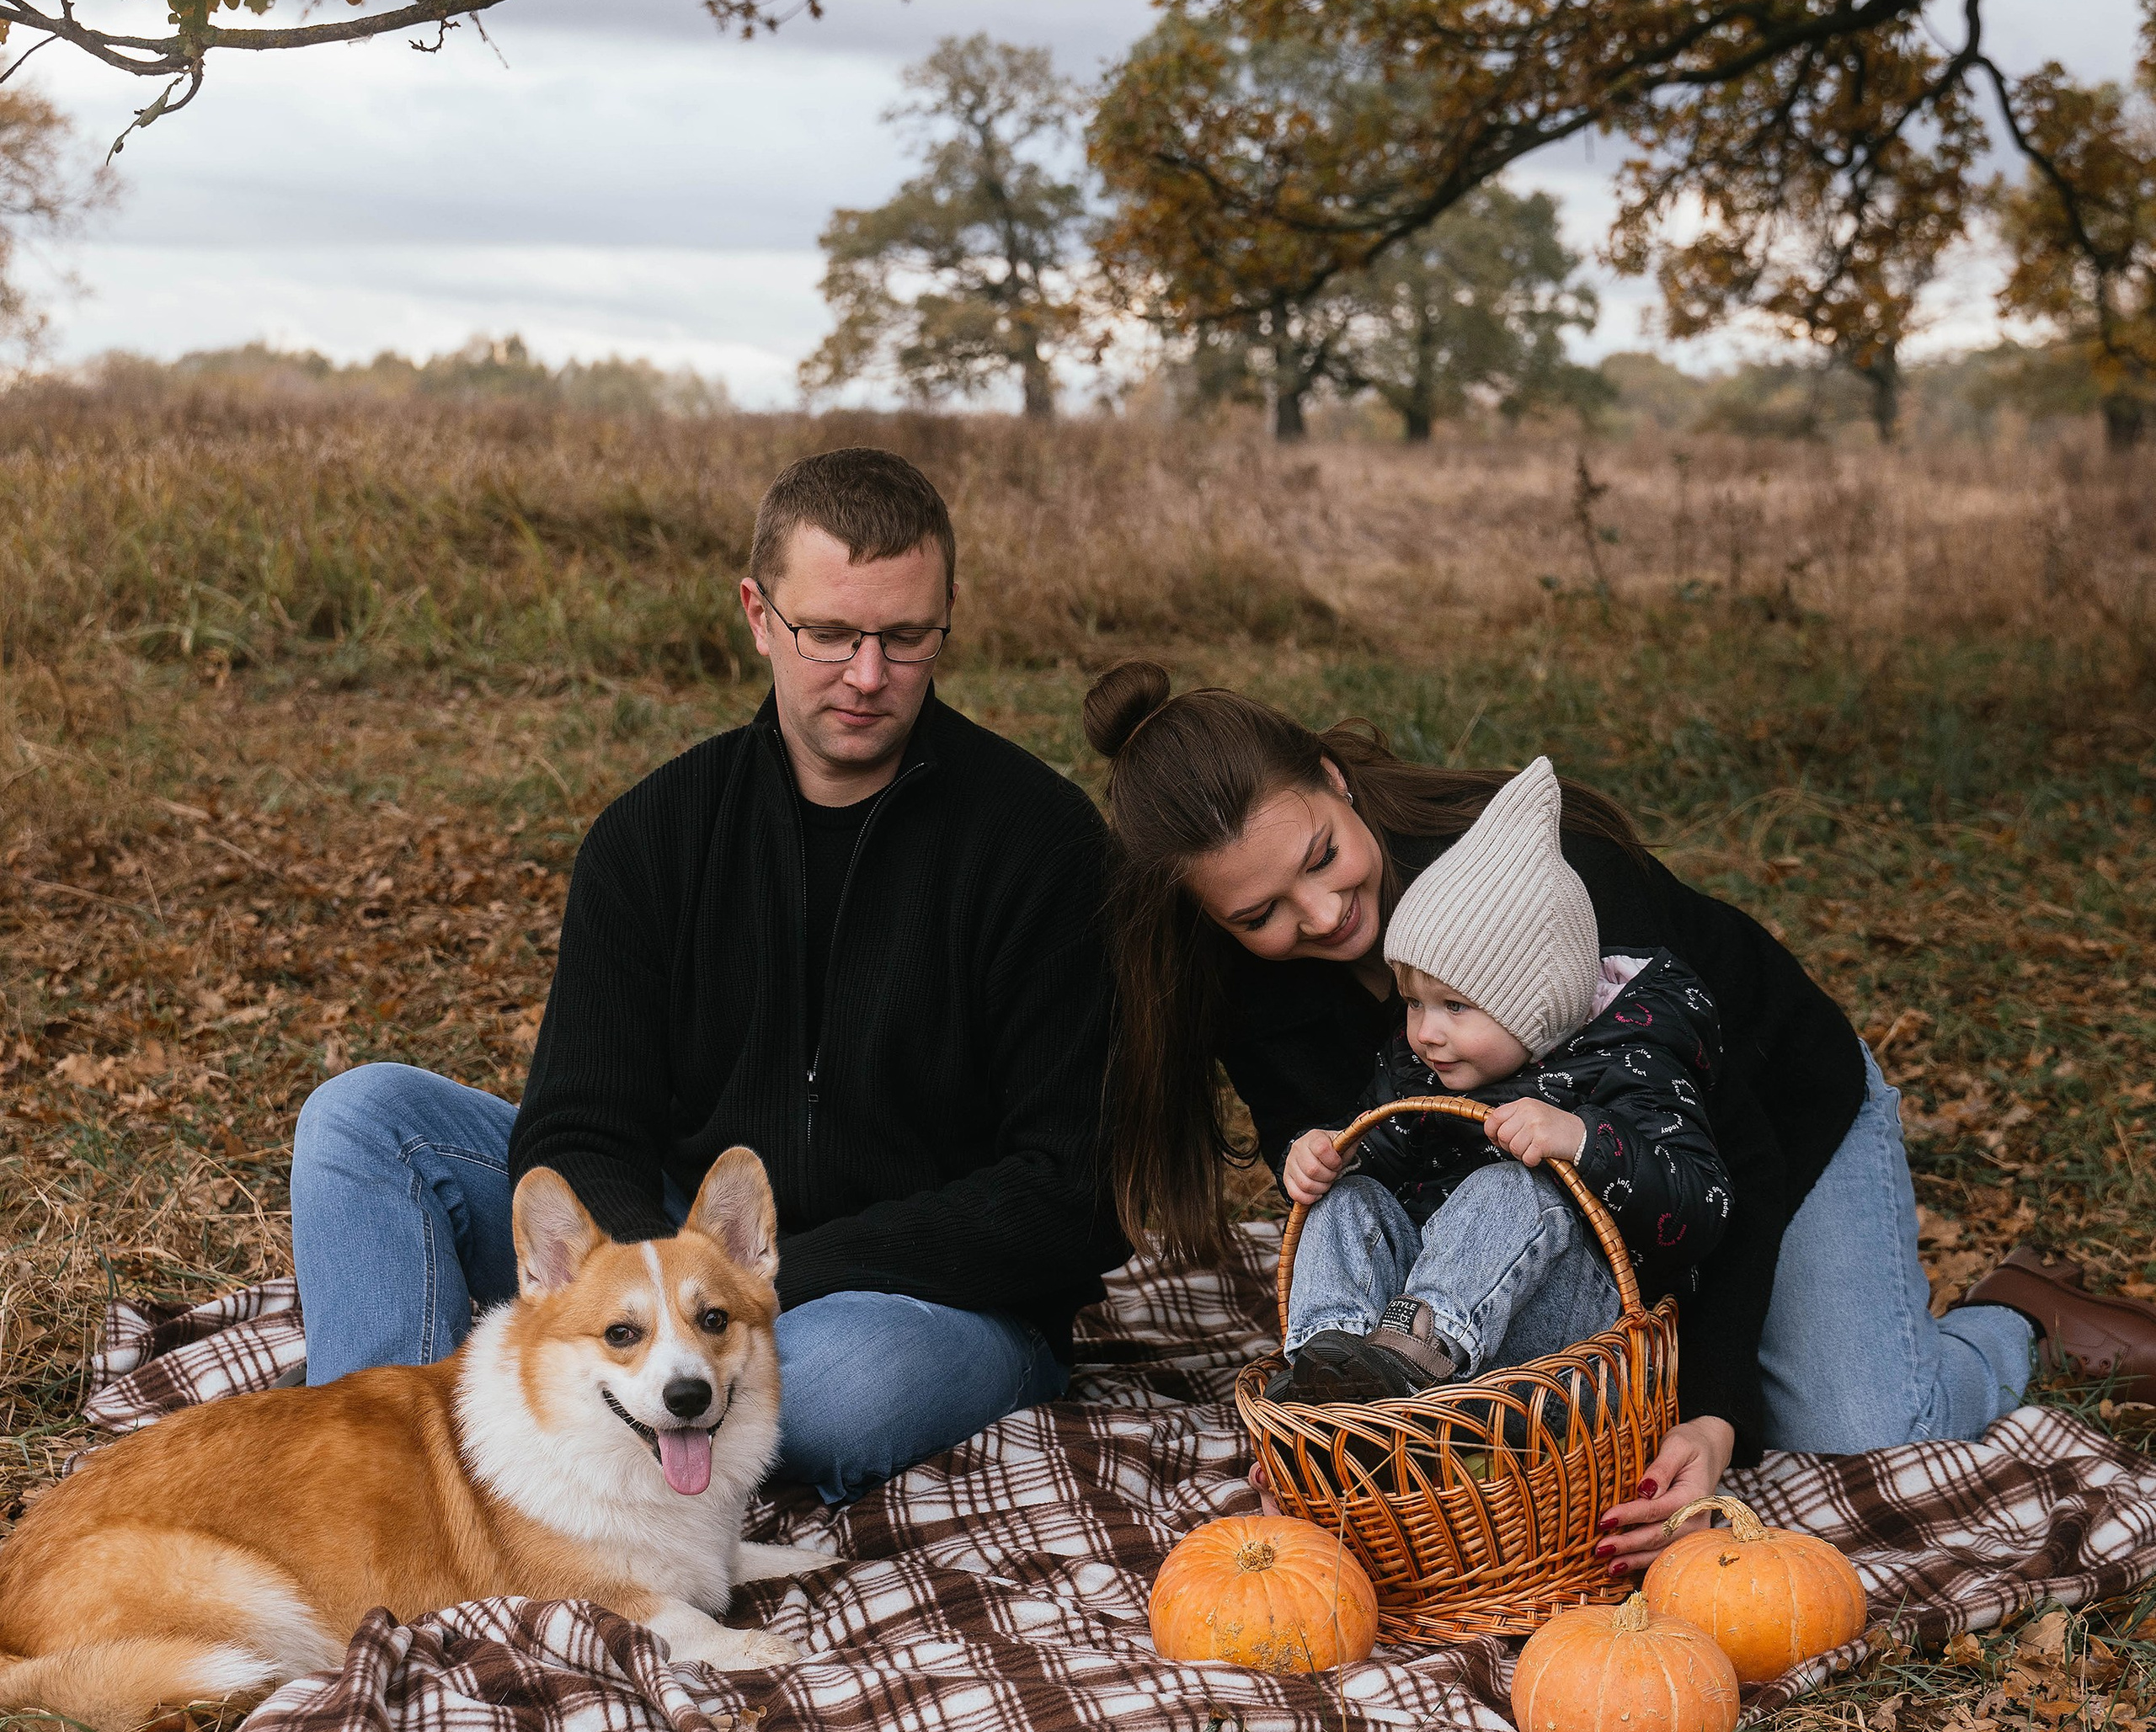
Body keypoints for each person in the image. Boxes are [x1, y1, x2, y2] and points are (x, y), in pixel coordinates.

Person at [1086, 661, 2156, 1570]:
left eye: (1320, 858)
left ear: (1333, 780)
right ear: (1208, 917)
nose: (1319, 915)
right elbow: (1368, 1193)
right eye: (1259, 912)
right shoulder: (1250, 996)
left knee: (1859, 1424)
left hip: (1758, 1116)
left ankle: (2011, 1318)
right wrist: (1334, 1448)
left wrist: (1711, 1411)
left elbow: (1731, 1151)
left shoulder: (1546, 888)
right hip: (1543, 1195)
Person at [290, 449, 1126, 1504]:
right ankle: (372, 1478)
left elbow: (1076, 1189)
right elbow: (579, 1125)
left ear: (945, 619)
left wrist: (767, 1280)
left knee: (823, 1394)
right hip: (677, 1253)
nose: (868, 675)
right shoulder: (654, 836)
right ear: (757, 613)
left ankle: (603, 1412)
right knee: (363, 1119)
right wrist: (664, 1291)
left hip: (918, 1297)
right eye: (829, 634)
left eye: (906, 639)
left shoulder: (1042, 844)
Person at [1271, 756, 1732, 1409]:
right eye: (1414, 1003)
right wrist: (1327, 1155)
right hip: (1425, 1324)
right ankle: (1327, 1375)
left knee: (1512, 1187)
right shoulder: (1418, 1066)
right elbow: (1380, 1160)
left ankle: (1412, 1363)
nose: (1425, 1032)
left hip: (1564, 1340)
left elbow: (1700, 1208)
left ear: (1533, 1008)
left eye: (1455, 1007)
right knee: (1346, 1203)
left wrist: (1585, 1140)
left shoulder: (1624, 1061)